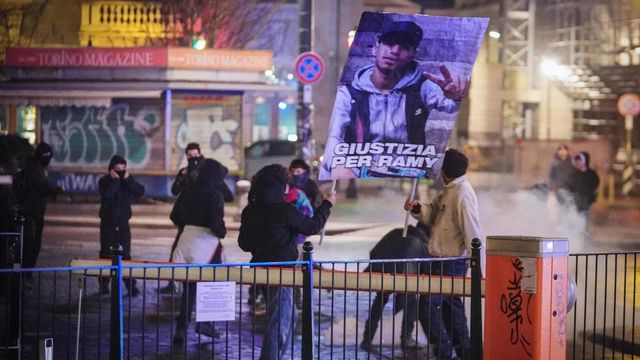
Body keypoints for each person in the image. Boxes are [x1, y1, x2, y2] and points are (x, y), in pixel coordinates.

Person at [321, 20, 467, 179]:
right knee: (327, 169)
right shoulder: (350, 93)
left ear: (413, 55)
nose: (395, 51)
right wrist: (338, 163)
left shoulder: (422, 87)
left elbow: (449, 105)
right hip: (360, 173)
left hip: (408, 173)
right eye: (389, 43)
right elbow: (335, 135)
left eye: (404, 47)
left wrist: (455, 97)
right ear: (376, 48)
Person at [238, 164, 335, 360]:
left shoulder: (250, 210)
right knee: (280, 320)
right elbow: (312, 226)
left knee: (288, 316)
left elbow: (244, 243)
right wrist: (327, 205)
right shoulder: (284, 210)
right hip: (282, 272)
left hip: (261, 269)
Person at [404, 148, 483, 359]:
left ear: (444, 171)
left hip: (452, 262)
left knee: (427, 306)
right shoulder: (451, 190)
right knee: (450, 310)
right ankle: (466, 353)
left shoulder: (462, 194)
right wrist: (417, 208)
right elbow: (433, 214)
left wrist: (479, 267)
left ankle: (445, 352)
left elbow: (472, 230)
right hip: (444, 261)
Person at [159, 142, 233, 294]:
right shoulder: (195, 181)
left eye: (195, 155)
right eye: (190, 155)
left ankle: (187, 309)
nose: (193, 158)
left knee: (190, 275)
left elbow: (175, 214)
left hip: (192, 233)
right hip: (200, 235)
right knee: (203, 274)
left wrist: (188, 224)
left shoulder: (209, 178)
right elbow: (175, 191)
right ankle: (180, 291)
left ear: (200, 153)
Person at [169, 159, 229, 344]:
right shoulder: (215, 195)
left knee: (189, 285)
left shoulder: (188, 191)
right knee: (210, 285)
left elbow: (174, 216)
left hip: (186, 239)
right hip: (207, 245)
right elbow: (215, 221)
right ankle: (205, 323)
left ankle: (181, 326)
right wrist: (222, 231)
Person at [360, 223, 431, 352]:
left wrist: (379, 268)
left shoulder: (396, 232)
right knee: (411, 303)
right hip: (403, 277)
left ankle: (367, 339)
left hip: (381, 270)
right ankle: (407, 339)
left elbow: (374, 251)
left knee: (379, 301)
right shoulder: (422, 243)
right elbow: (426, 270)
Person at [12, 142, 64, 273]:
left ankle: (23, 273)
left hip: (30, 211)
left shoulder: (31, 165)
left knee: (28, 244)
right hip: (32, 213)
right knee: (31, 245)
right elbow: (42, 186)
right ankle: (25, 274)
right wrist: (57, 190)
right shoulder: (36, 168)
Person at [98, 155, 145, 296]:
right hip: (108, 224)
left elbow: (140, 192)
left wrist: (127, 180)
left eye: (122, 169)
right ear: (111, 170)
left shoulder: (128, 181)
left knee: (125, 256)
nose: (120, 172)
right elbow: (107, 196)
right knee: (106, 255)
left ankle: (131, 286)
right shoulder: (104, 181)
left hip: (123, 225)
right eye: (117, 170)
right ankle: (104, 285)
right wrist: (115, 181)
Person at [564, 151, 600, 231]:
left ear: (584, 161)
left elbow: (594, 184)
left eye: (579, 161)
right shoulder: (573, 174)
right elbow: (567, 186)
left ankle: (583, 240)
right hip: (574, 203)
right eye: (576, 161)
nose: (577, 163)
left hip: (585, 203)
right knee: (573, 224)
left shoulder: (591, 174)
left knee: (583, 224)